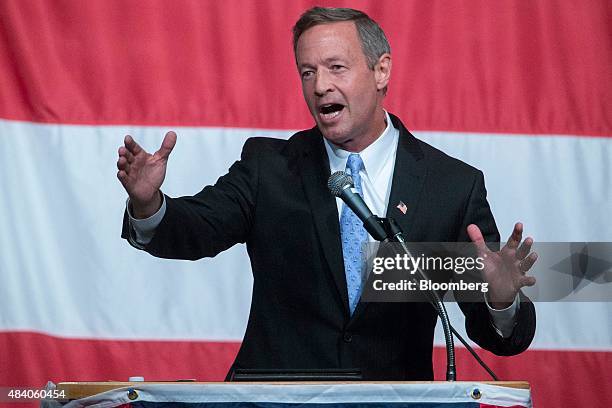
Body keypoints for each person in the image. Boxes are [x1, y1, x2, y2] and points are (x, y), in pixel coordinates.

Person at [117, 7, 537, 380]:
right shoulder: (270, 167)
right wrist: (148, 204)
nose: (319, 86)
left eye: (336, 67)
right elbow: (194, 229)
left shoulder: (451, 187)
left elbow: (497, 336)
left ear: (381, 71)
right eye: (307, 72)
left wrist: (501, 300)